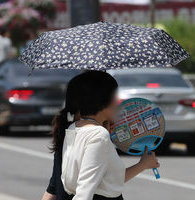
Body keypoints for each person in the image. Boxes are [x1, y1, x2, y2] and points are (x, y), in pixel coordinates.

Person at [42, 71, 159, 200]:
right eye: (115, 98)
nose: (118, 103)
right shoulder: (98, 135)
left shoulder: (74, 128)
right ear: (103, 103)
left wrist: (143, 164)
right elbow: (84, 191)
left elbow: (106, 180)